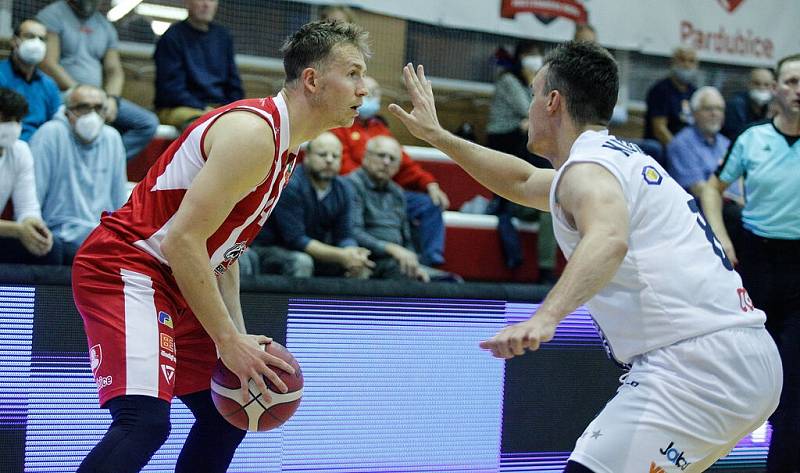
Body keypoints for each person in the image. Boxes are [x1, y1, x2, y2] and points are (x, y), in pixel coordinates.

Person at [390, 41, 781, 472]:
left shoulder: (589, 169)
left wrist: (546, 317)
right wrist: (439, 137)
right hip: (738, 358)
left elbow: (610, 239)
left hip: (695, 367)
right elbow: (522, 182)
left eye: (536, 92)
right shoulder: (613, 159)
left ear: (553, 102)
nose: (530, 106)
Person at [70, 20, 370, 473]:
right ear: (312, 79)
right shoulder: (253, 134)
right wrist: (227, 340)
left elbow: (223, 252)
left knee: (227, 412)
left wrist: (239, 340)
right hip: (130, 265)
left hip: (179, 279)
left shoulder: (286, 148)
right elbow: (183, 241)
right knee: (143, 423)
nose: (364, 89)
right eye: (353, 73)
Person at [700, 53, 800, 473]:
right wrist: (721, 237)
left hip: (799, 271)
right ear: (776, 88)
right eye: (792, 81)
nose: (799, 90)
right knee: (749, 378)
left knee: (793, 382)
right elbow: (712, 188)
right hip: (756, 264)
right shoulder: (751, 138)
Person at [331, 75, 449, 266]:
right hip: (357, 190)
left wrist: (429, 183)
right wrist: (372, 177)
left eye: (377, 94)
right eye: (370, 93)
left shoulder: (380, 128)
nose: (373, 97)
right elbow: (342, 167)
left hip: (385, 191)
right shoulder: (338, 125)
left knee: (430, 204)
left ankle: (429, 262)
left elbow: (403, 163)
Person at [36, 0, 159, 160]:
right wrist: (81, 93)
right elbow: (48, 64)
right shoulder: (52, 15)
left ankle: (103, 162)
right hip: (62, 94)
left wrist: (112, 99)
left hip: (97, 96)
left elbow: (114, 71)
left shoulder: (104, 26)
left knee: (147, 123)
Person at [252, 131, 374, 278]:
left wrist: (353, 254)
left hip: (314, 250)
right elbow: (296, 240)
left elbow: (344, 235)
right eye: (322, 155)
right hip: (271, 248)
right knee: (302, 262)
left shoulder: (345, 188)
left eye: (335, 156)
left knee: (360, 268)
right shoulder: (290, 184)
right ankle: (291, 302)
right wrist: (343, 255)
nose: (329, 160)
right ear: (307, 157)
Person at [29, 84, 127, 263]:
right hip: (59, 235)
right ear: (67, 112)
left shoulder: (113, 138)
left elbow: (119, 203)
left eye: (98, 108)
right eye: (83, 108)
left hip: (101, 237)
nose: (92, 115)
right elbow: (33, 199)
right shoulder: (50, 134)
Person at [486, 40, 557, 278]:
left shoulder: (541, 86)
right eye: (529, 54)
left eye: (537, 54)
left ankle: (546, 273)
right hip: (504, 144)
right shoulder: (509, 80)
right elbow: (531, 109)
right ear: (519, 57)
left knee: (553, 207)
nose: (533, 58)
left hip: (531, 169)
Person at [345, 136, 455, 282]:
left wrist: (412, 261)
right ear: (365, 157)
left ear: (398, 167)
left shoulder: (397, 192)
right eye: (381, 155)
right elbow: (353, 232)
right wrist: (392, 249)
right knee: (409, 278)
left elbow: (406, 237)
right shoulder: (349, 185)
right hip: (366, 258)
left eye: (392, 159)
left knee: (449, 282)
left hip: (396, 260)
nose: (386, 162)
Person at [154, 0, 244, 130]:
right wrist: (204, 109)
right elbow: (171, 90)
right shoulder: (172, 37)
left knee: (249, 125)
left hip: (218, 108)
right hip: (181, 108)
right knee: (205, 126)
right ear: (187, 2)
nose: (206, 4)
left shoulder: (223, 37)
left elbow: (235, 86)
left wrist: (227, 109)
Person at [0, 87, 61, 265]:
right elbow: (18, 229)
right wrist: (18, 230)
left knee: (50, 250)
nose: (12, 127)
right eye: (5, 119)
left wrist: (35, 227)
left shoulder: (20, 151)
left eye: (17, 120)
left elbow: (27, 207)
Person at [0, 19, 61, 141]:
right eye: (30, 36)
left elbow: (57, 123)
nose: (36, 42)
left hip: (40, 147)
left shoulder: (49, 85)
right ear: (14, 41)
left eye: (42, 39)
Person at [644, 46, 699, 148]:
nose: (687, 65)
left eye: (691, 61)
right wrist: (678, 150)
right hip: (664, 149)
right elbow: (659, 130)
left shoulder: (695, 93)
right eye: (682, 60)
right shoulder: (660, 90)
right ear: (673, 62)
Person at [722, 67, 776, 140]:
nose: (761, 88)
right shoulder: (736, 106)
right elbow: (739, 137)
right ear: (748, 84)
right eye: (757, 84)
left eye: (766, 85)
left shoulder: (770, 107)